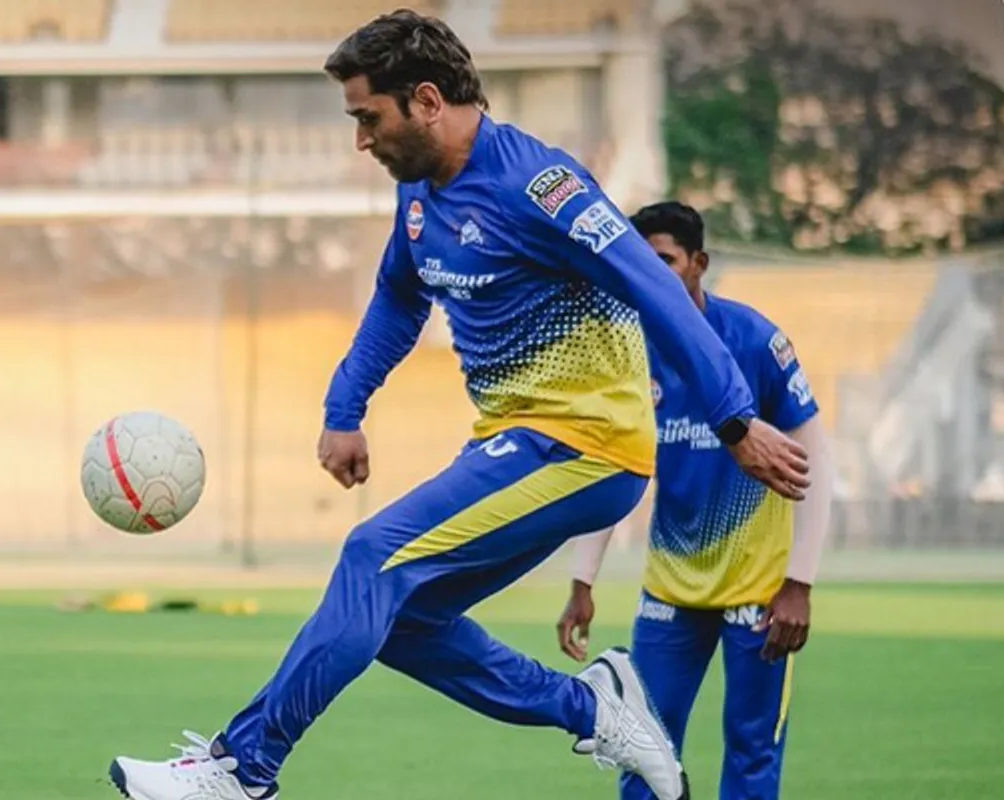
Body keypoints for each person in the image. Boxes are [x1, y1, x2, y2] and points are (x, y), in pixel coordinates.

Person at [108, 12, 809, 800]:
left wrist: (734, 421)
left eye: (368, 118)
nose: (361, 141)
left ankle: (243, 769)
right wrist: (345, 409)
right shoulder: (420, 196)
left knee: (372, 556)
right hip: (514, 443)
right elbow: (397, 299)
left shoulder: (541, 185)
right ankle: (592, 709)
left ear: (429, 100)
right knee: (400, 623)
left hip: (589, 449)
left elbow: (654, 288)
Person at [556, 202, 833, 800]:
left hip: (757, 598)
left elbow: (818, 460)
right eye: (640, 263)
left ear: (699, 264)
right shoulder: (628, 352)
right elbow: (611, 465)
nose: (650, 276)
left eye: (664, 261)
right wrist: (583, 580)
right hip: (669, 595)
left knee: (752, 751)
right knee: (643, 748)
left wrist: (799, 583)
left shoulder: (756, 343)